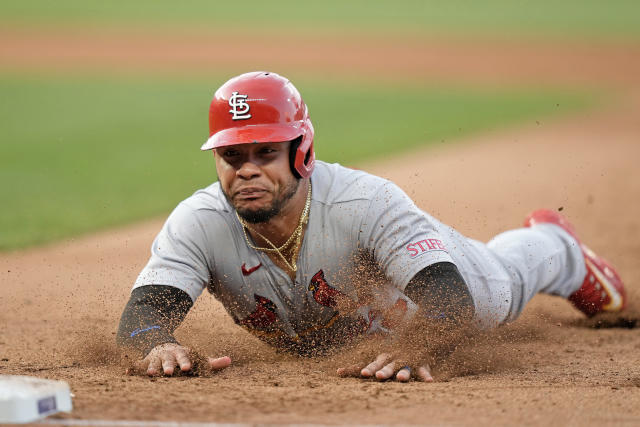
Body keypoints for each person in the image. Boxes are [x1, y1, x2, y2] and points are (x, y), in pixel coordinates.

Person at [116, 71, 627, 382]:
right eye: (231, 155)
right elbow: (139, 321)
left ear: (303, 152)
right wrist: (156, 344)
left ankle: (560, 247)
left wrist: (417, 347)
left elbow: (452, 306)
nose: (246, 169)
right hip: (347, 335)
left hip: (459, 283)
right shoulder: (199, 222)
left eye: (265, 152)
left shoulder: (365, 202)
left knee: (508, 277)